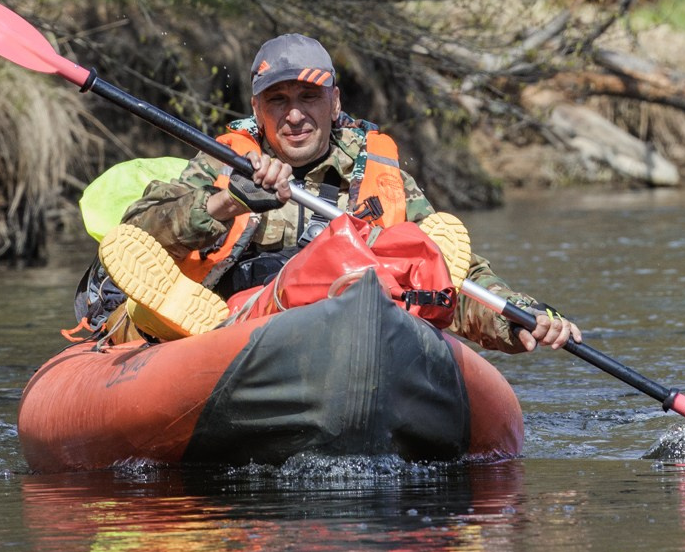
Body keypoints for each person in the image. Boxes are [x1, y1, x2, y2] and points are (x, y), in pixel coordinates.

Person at [119, 31, 579, 354]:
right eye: (278, 100)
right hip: (243, 339)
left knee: (410, 268)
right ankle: (206, 325)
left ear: (335, 102)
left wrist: (516, 316)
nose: (294, 115)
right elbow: (136, 234)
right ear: (257, 109)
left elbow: (444, 272)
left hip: (356, 327)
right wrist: (223, 203)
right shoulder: (224, 162)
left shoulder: (378, 173)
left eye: (309, 97)